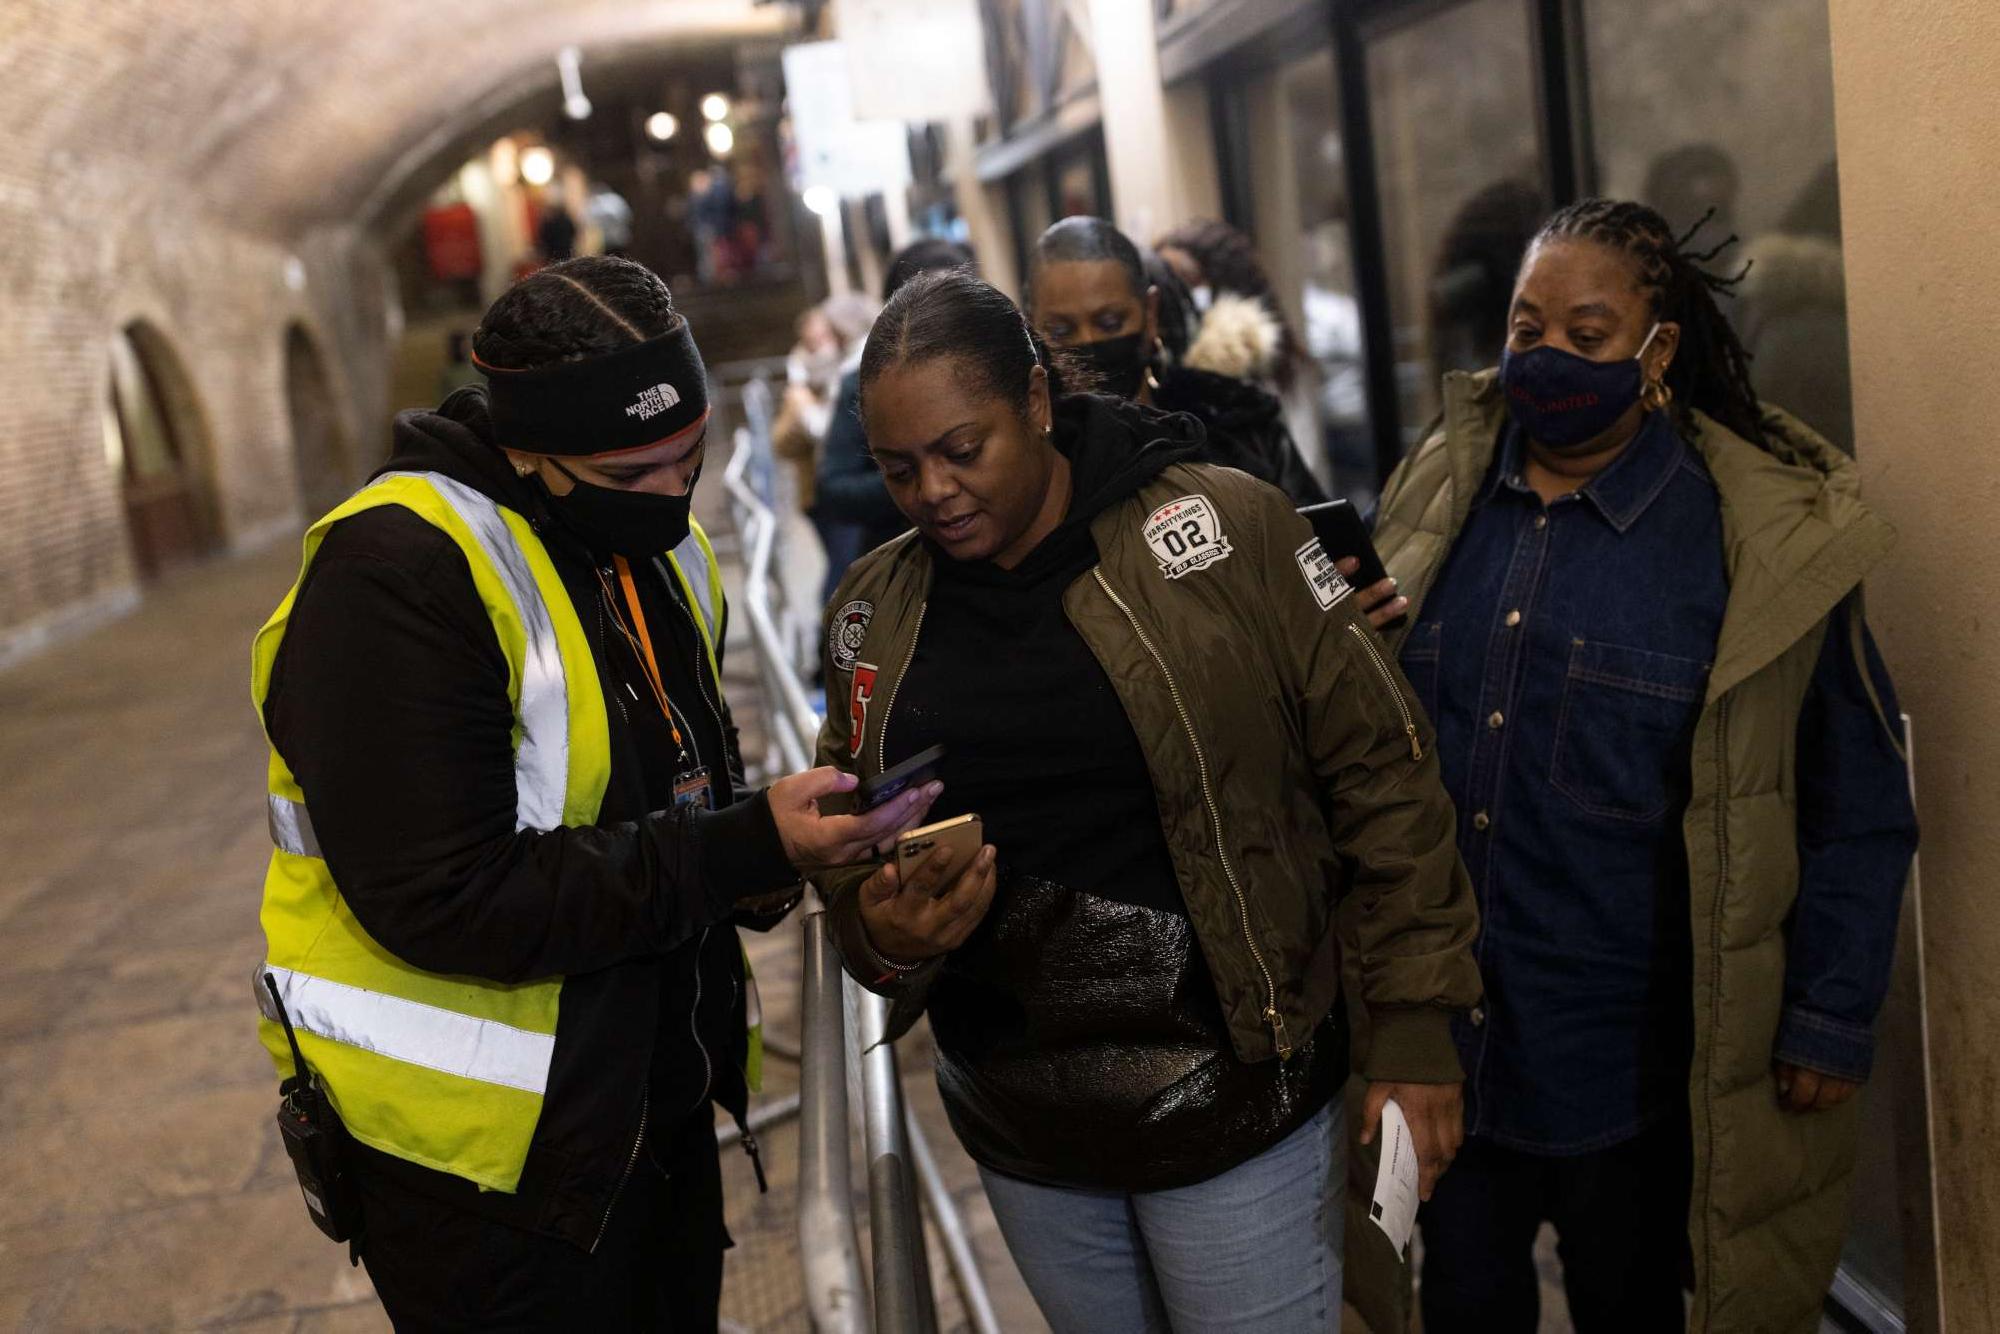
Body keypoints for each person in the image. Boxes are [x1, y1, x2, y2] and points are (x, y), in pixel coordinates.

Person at [251, 256, 940, 1332]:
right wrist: (739, 847)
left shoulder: (663, 550)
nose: (673, 495)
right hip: (484, 1167)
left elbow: (673, 789)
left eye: (690, 456)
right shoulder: (394, 574)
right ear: (528, 449)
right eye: (632, 473)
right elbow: (444, 892)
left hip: (645, 1102)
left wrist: (778, 849)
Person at [812, 269, 1484, 1332]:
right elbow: (852, 846)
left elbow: (1384, 773)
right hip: (1022, 1123)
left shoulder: (1227, 528)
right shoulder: (872, 614)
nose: (931, 489)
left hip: (1235, 1103)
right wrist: (877, 926)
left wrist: (1412, 1026)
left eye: (960, 449)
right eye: (897, 469)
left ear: (1034, 400)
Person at [1367, 199, 1918, 1333]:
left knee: (1633, 1305)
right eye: (1527, 328)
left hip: (1633, 1071)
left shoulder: (1746, 551)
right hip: (1450, 1048)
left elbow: (1852, 797)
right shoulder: (1441, 495)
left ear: (1655, 350)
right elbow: (1372, 757)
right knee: (1461, 1304)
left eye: (1586, 333)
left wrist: (1826, 1012)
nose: (1546, 357)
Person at [1027, 216, 1328, 506]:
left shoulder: (1236, 420)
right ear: (1032, 327)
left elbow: (1315, 533)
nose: (1088, 341)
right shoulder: (1032, 459)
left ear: (1151, 314)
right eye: (1060, 330)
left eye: (1109, 322)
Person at [810, 236, 975, 602]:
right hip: (908, 579)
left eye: (966, 452)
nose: (938, 488)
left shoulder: (998, 374)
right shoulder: (864, 385)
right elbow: (834, 486)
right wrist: (905, 485)